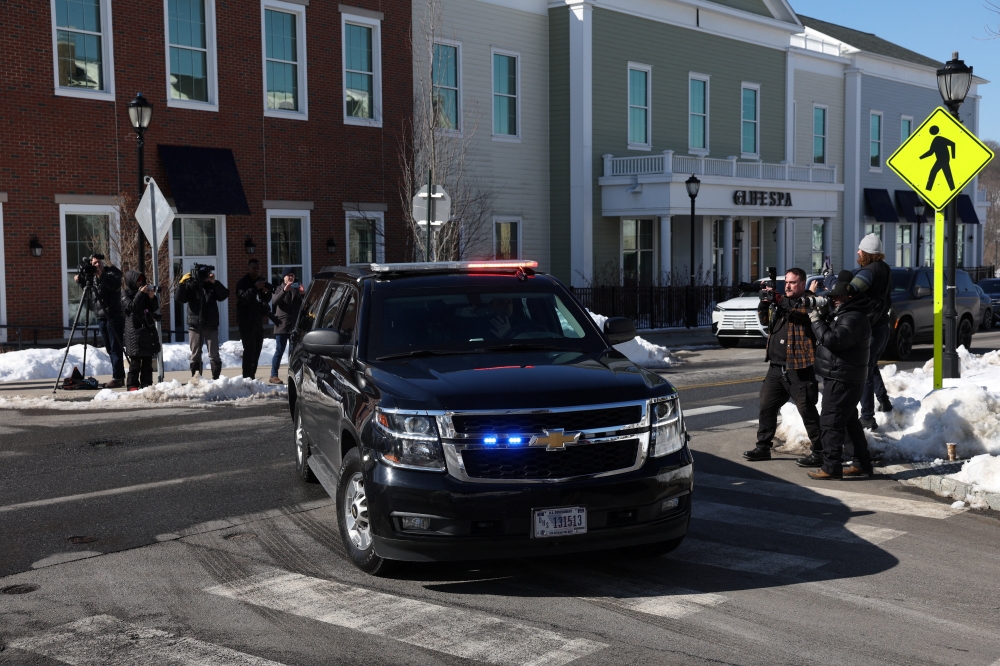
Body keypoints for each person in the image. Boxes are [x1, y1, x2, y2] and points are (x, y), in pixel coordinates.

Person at [742, 268, 823, 465]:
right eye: (786, 282)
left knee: (807, 411)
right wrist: (764, 303)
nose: (788, 286)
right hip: (776, 367)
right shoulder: (782, 303)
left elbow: (798, 312)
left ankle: (821, 452)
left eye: (792, 282)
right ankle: (763, 447)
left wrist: (778, 299)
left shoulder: (808, 302)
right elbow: (765, 321)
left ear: (802, 284)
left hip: (799, 368)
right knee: (766, 407)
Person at [806, 270, 873, 480]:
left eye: (837, 296)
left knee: (830, 422)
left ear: (849, 297)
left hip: (842, 377)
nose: (833, 299)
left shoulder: (853, 317)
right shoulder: (847, 314)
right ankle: (861, 464)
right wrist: (825, 314)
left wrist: (816, 319)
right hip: (843, 375)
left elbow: (833, 340)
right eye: (832, 296)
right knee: (849, 422)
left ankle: (831, 467)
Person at [848, 234, 894, 430]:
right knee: (871, 365)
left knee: (864, 372)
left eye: (861, 250)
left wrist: (832, 281)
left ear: (867, 253)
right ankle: (884, 401)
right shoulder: (884, 268)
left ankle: (867, 417)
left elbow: (851, 290)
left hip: (871, 329)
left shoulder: (868, 272)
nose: (858, 252)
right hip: (882, 326)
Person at [75, 253, 126, 388]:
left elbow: (115, 286)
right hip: (101, 317)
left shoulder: (112, 273)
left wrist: (101, 275)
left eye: (99, 262)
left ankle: (118, 378)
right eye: (94, 263)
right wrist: (81, 282)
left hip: (113, 316)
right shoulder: (93, 278)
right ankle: (118, 376)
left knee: (115, 348)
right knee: (109, 348)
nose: (97, 265)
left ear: (103, 263)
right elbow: (91, 294)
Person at [176, 264, 230, 380]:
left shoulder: (212, 285)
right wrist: (181, 284)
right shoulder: (191, 285)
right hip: (195, 326)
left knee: (214, 355)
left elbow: (224, 295)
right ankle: (196, 380)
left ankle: (216, 379)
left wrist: (214, 282)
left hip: (211, 325)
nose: (204, 277)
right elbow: (179, 298)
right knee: (195, 355)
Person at [121, 270, 161, 390]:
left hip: (147, 332)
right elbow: (131, 307)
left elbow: (153, 308)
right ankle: (132, 385)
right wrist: (141, 293)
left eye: (142, 280)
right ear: (131, 281)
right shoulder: (125, 293)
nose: (140, 283)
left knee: (148, 362)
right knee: (135, 362)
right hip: (134, 332)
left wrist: (152, 298)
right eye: (138, 280)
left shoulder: (144, 294)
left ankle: (146, 384)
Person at [236, 259, 274, 379]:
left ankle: (252, 375)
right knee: (249, 350)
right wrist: (254, 288)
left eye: (258, 268)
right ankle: (247, 377)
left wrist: (267, 292)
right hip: (246, 322)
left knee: (257, 350)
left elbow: (265, 300)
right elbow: (242, 299)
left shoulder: (261, 281)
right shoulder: (243, 283)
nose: (256, 270)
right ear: (249, 268)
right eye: (254, 268)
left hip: (258, 321)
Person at [269, 269, 304, 384]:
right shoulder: (278, 289)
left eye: (292, 275)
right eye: (288, 275)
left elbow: (305, 305)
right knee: (279, 351)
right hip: (282, 325)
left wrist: (303, 294)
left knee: (294, 353)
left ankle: (295, 376)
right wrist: (284, 290)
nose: (291, 277)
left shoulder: (296, 289)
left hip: (295, 326)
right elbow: (275, 301)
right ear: (284, 277)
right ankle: (273, 375)